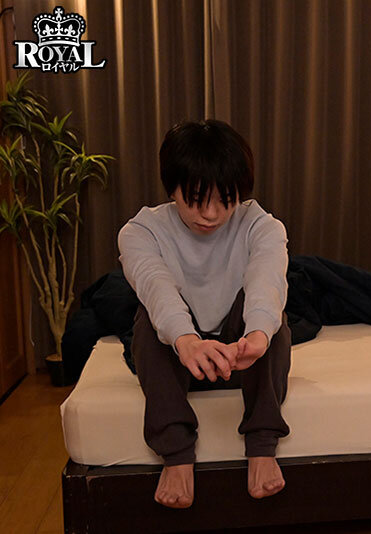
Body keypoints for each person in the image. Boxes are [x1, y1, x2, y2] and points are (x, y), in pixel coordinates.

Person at [118, 119, 291, 509]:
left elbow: (266, 282)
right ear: (172, 188)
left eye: (225, 201)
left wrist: (258, 337)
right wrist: (186, 341)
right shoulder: (141, 231)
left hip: (239, 349)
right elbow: (156, 288)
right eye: (196, 199)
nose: (210, 214)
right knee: (148, 320)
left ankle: (262, 445)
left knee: (275, 323)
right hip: (179, 350)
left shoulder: (262, 226)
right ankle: (177, 454)